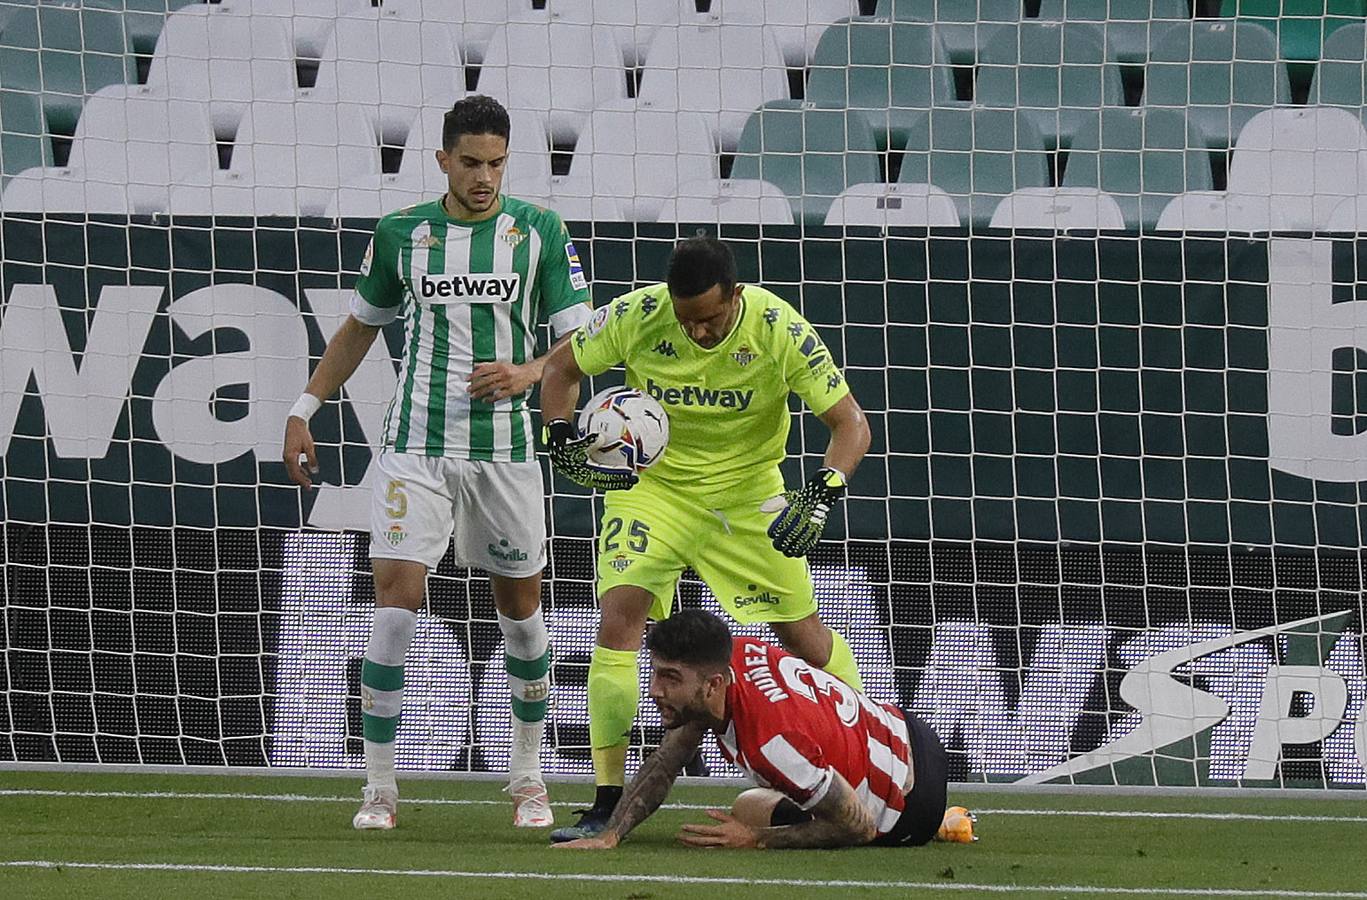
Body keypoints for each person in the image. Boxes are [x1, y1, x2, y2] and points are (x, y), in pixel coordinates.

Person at [282, 95, 594, 831]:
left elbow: (582, 343)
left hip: (507, 451)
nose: (484, 177)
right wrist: (304, 408)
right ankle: (379, 788)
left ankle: (527, 775)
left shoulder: (538, 231)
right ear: (443, 161)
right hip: (415, 445)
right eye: (471, 163)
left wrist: (528, 373)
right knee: (396, 607)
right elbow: (361, 329)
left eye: (496, 163)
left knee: (520, 616)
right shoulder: (402, 234)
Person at [538, 236, 873, 841]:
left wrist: (822, 492)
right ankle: (607, 798)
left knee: (803, 637)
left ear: (736, 297)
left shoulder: (777, 328)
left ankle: (864, 761)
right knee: (619, 619)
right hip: (655, 490)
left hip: (746, 497)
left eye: (712, 319)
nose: (698, 333)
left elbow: (850, 423)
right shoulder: (639, 315)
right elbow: (561, 367)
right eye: (688, 321)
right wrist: (559, 434)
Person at [555, 609, 975, 850]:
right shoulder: (729, 658)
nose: (654, 690)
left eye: (669, 678)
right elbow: (667, 759)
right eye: (656, 674)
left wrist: (755, 839)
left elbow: (859, 827)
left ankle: (940, 823)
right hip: (905, 730)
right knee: (748, 803)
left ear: (713, 684)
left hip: (907, 808)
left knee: (750, 815)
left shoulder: (771, 744)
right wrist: (612, 834)